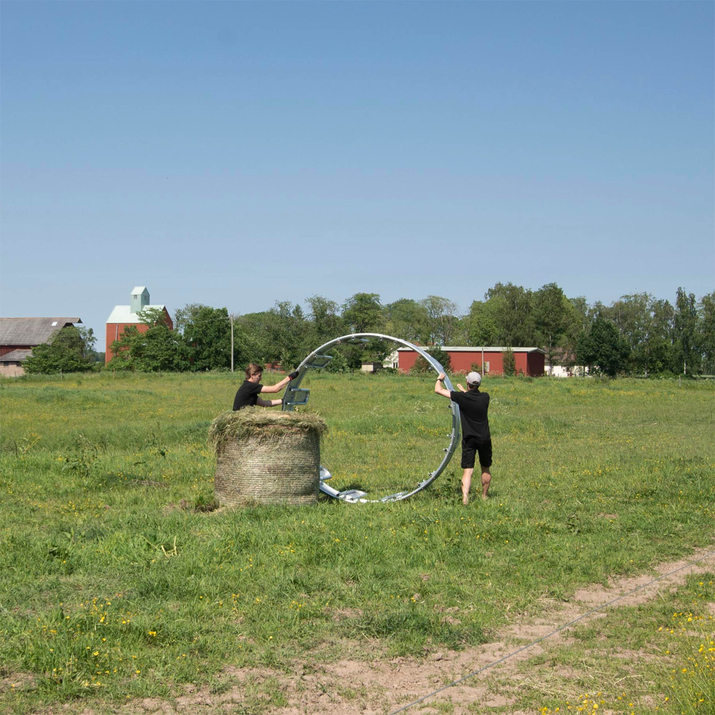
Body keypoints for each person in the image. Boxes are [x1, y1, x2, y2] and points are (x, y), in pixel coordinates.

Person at [434, 370, 492, 504]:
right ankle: (484, 496)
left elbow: (438, 390)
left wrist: (440, 379)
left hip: (469, 439)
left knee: (468, 470)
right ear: (479, 384)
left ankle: (465, 499)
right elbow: (472, 398)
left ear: (467, 383)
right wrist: (462, 391)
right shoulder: (485, 397)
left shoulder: (462, 398)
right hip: (484, 438)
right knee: (486, 468)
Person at [233, 363, 299, 411]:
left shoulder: (248, 389)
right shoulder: (250, 386)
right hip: (242, 420)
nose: (260, 378)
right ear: (252, 375)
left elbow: (265, 403)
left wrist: (283, 401)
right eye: (259, 376)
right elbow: (275, 389)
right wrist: (289, 377)